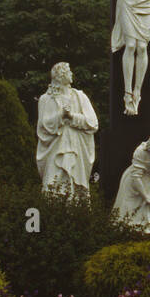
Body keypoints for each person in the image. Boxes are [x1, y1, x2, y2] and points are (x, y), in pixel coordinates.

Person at [36, 62, 98, 197]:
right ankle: (52, 214)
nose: (71, 74)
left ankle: (76, 214)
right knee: (53, 186)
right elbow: (43, 126)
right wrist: (60, 116)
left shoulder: (80, 96)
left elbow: (92, 123)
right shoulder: (46, 99)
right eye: (68, 71)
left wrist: (71, 116)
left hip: (77, 148)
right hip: (56, 148)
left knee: (76, 190)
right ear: (59, 76)